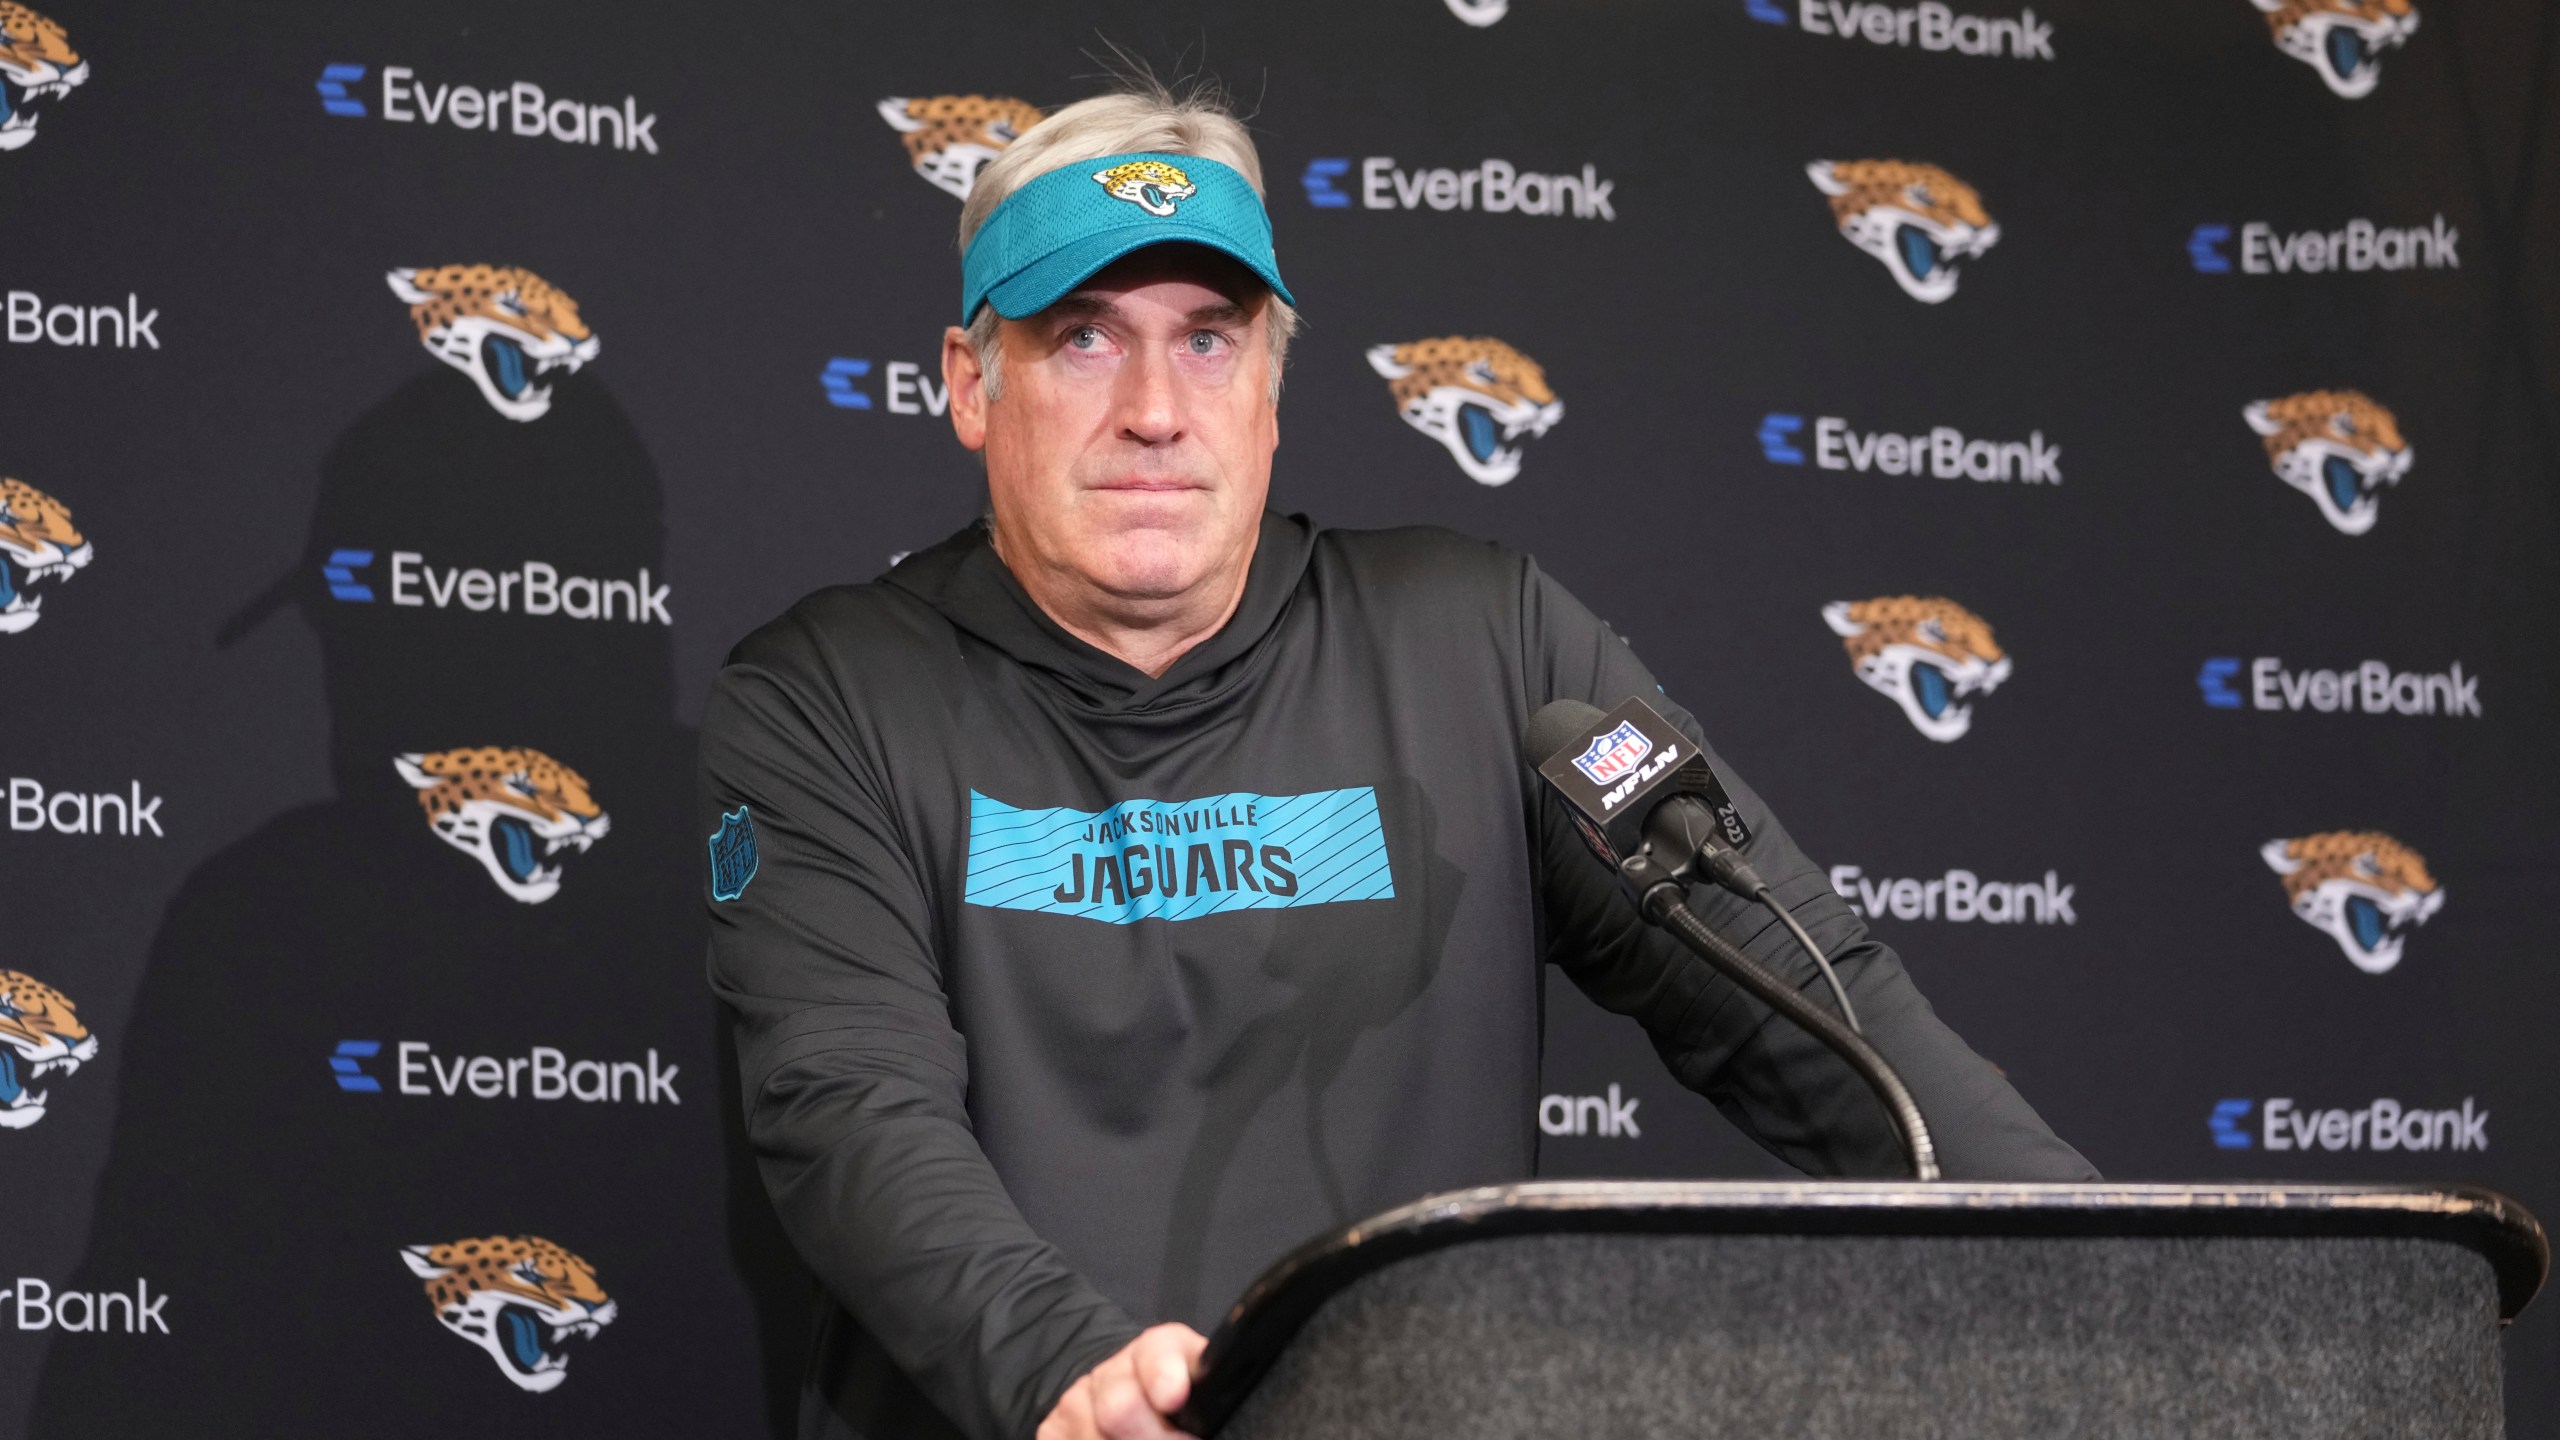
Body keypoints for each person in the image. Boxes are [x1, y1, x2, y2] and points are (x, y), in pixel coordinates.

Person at [698, 81, 2096, 1440]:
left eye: (1208, 340)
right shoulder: (825, 698)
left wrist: (2114, 1284)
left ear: (1272, 386)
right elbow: (847, 1107)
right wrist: (1072, 1366)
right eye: (1081, 337)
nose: (1154, 408)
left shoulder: (1490, 642)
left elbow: (1809, 1001)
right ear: (969, 383)